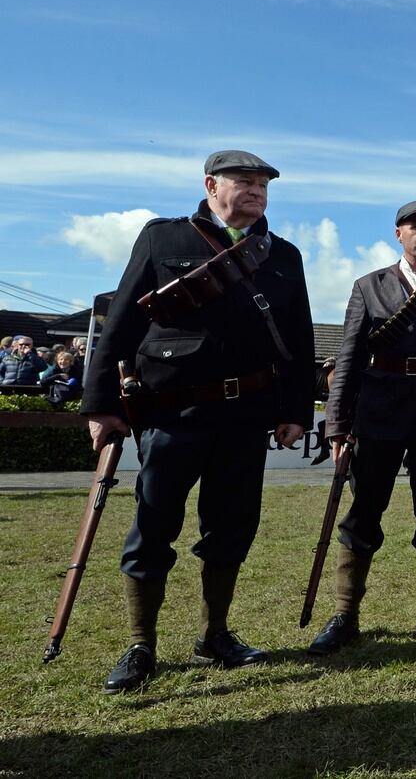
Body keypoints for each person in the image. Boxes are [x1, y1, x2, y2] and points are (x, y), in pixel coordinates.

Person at [80, 150, 314, 694]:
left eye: (262, 185)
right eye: (245, 182)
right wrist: (101, 405)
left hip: (246, 415)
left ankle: (215, 635)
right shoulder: (163, 239)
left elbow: (299, 341)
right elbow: (121, 324)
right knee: (154, 527)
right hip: (172, 413)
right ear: (211, 185)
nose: (256, 192)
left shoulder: (284, 255)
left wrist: (294, 410)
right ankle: (142, 645)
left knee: (231, 527)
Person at [308, 200, 416, 655]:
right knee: (364, 513)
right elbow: (348, 358)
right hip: (379, 412)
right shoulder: (368, 286)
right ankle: (346, 614)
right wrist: (338, 423)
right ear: (398, 234)